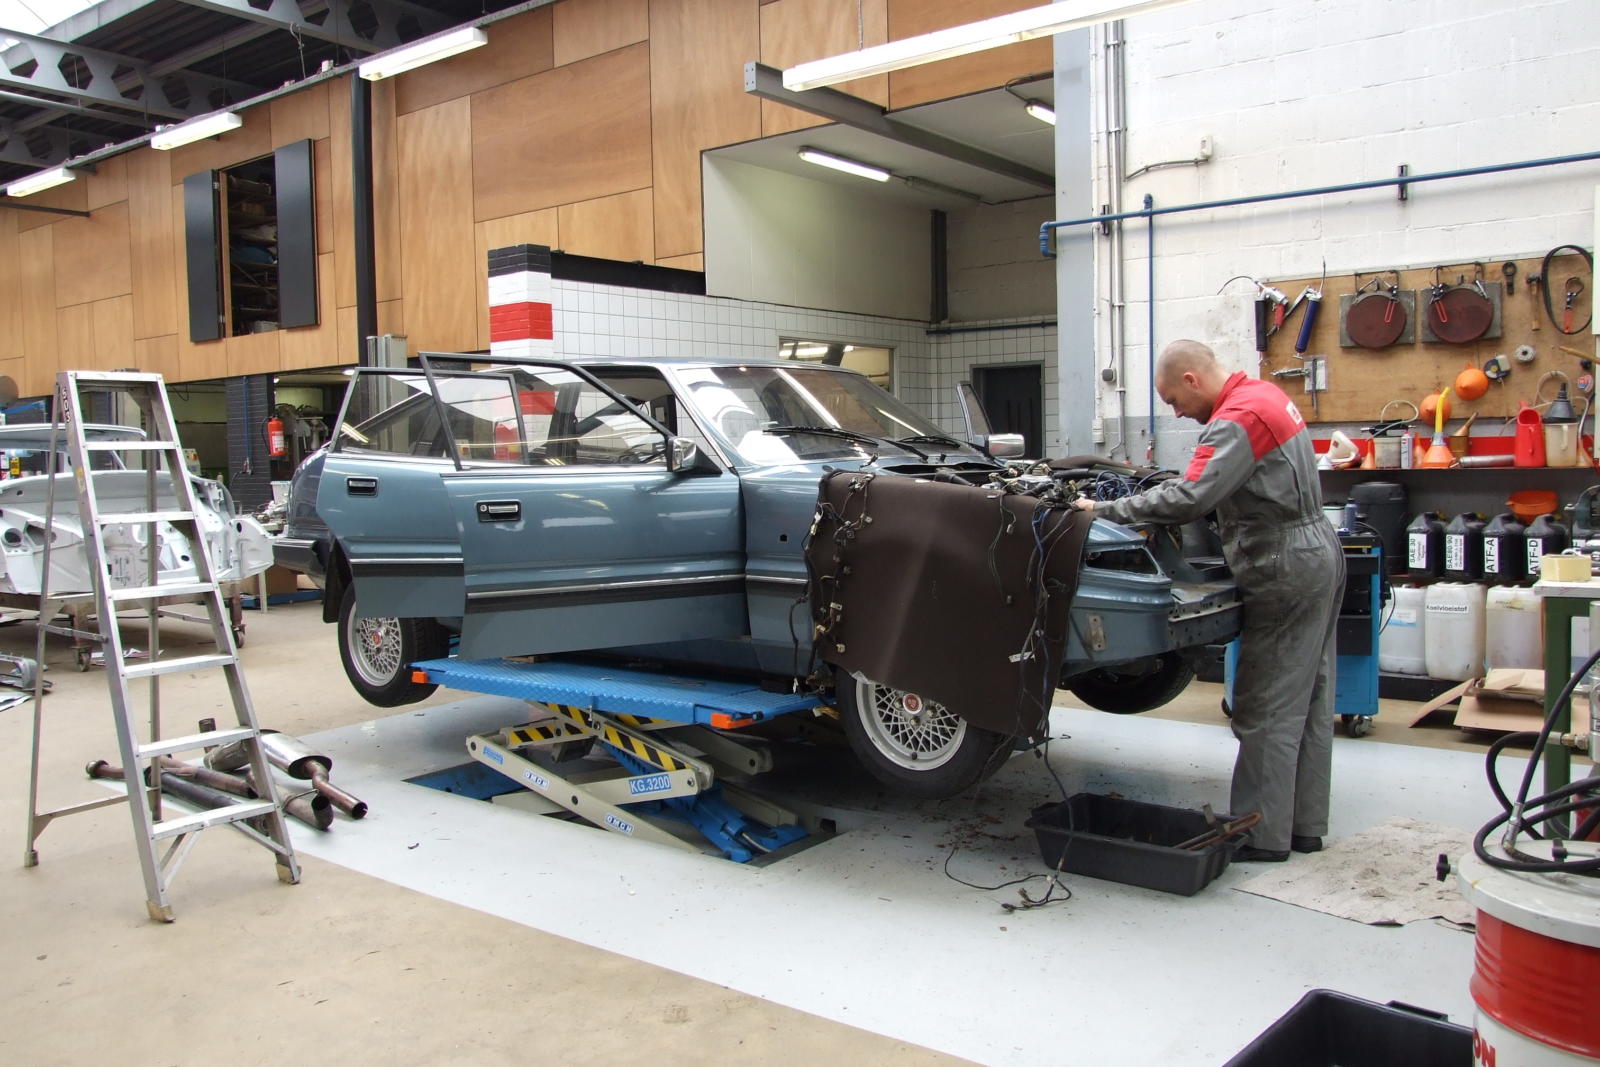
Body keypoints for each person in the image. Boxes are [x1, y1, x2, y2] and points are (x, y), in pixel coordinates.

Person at [1073, 340, 1344, 862]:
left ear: (1192, 380)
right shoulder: (1265, 395)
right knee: (1309, 695)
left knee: (1266, 705)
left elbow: (1191, 498)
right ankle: (1303, 827)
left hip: (1283, 562)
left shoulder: (1235, 419)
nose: (1177, 413)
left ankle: (1261, 836)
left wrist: (1102, 511)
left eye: (1174, 400)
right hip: (1314, 550)